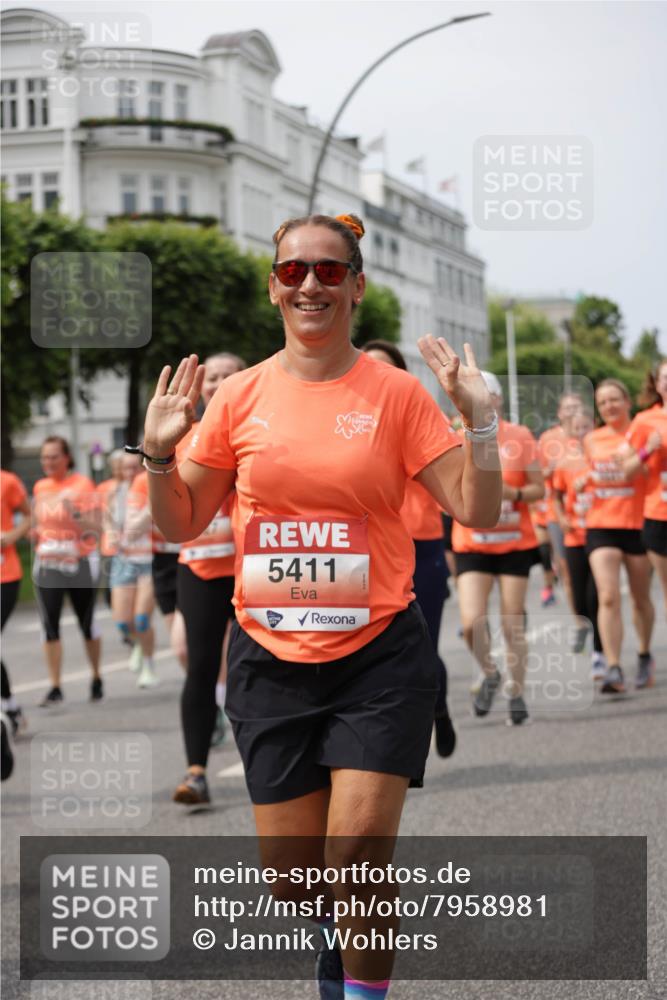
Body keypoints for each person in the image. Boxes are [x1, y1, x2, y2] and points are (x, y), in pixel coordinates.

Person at [139, 212, 502, 1000]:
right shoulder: (237, 397)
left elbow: (473, 508)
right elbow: (178, 522)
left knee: (358, 854)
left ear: (356, 286)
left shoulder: (396, 395)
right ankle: (335, 951)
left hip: (377, 649)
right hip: (270, 656)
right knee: (297, 884)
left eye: (329, 271)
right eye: (294, 271)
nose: (310, 283)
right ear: (273, 287)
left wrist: (479, 422)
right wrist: (161, 453)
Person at [361, 339, 456, 758]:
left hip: (423, 543)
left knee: (423, 647)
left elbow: (457, 483)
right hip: (367, 550)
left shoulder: (417, 414)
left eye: (386, 368)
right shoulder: (346, 422)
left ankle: (437, 707)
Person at [172, 352, 246, 806]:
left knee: (253, 668)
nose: (218, 384)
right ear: (201, 388)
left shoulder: (259, 431)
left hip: (252, 570)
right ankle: (196, 772)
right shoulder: (183, 438)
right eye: (212, 378)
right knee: (199, 667)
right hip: (199, 570)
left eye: (228, 377)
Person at [452, 371, 545, 726]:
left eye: (487, 394)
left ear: (498, 399)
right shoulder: (457, 434)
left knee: (512, 623)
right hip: (472, 541)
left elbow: (539, 489)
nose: (482, 400)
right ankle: (490, 673)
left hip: (514, 543)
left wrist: (514, 494)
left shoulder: (520, 436)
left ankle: (516, 693)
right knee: (470, 621)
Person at [577, 379, 654, 692]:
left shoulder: (640, 433)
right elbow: (589, 472)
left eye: (614, 400)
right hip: (601, 524)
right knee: (607, 595)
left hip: (636, 523)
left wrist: (641, 457)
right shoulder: (592, 439)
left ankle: (645, 654)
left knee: (639, 598)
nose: (609, 406)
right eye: (602, 402)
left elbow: (650, 474)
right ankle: (613, 666)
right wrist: (585, 480)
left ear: (627, 402)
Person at [32, 436, 103, 706]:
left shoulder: (82, 485)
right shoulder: (40, 487)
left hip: (79, 563)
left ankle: (96, 677)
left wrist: (74, 513)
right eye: (44, 457)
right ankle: (55, 686)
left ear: (66, 458)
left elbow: (97, 528)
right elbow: (41, 522)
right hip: (48, 562)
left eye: (53, 456)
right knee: (49, 624)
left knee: (86, 623)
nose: (47, 462)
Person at [551, 409, 606, 678]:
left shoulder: (604, 456)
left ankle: (599, 652)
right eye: (578, 427)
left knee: (597, 595)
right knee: (580, 597)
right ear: (570, 431)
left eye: (587, 425)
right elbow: (556, 495)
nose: (582, 431)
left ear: (594, 426)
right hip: (574, 535)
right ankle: (586, 631)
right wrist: (561, 518)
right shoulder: (565, 462)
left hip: (601, 534)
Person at [617, 359, 667, 623]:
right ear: (657, 384)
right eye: (665, 377)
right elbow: (626, 470)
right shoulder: (645, 420)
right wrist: (647, 450)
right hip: (659, 514)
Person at [108, 452, 158, 689]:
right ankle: (138, 645)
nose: (130, 473)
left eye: (134, 468)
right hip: (124, 560)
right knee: (122, 622)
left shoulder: (152, 486)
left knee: (140, 619)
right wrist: (111, 534)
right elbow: (107, 519)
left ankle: (148, 665)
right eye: (125, 468)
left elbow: (153, 513)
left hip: (148, 559)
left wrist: (133, 531)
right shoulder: (116, 493)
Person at [536, 392, 583, 609]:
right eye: (568, 407)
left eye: (576, 406)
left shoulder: (587, 436)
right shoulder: (547, 439)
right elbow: (535, 474)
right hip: (557, 512)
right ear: (559, 413)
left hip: (589, 511)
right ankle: (580, 623)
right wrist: (549, 470)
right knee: (567, 569)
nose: (572, 411)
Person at [1, 467, 31, 734]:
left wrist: (11, 536)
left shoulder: (8, 481)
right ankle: (10, 705)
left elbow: (28, 516)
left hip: (5, 575)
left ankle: (9, 705)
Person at [96, 449, 125, 608]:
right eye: (115, 466)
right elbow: (100, 516)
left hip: (131, 546)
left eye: (121, 466)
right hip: (109, 547)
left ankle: (128, 628)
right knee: (110, 591)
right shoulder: (104, 488)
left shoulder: (135, 484)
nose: (118, 470)